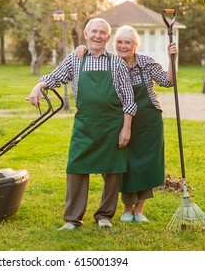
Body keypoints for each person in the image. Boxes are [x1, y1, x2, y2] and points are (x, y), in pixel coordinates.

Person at [27, 18, 137, 230]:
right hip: (85, 124)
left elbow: (128, 100)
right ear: (86, 34)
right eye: (93, 31)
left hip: (112, 124)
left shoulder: (116, 63)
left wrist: (126, 128)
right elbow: (55, 77)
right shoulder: (76, 59)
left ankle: (105, 216)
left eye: (102, 33)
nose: (97, 36)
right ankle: (72, 219)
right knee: (76, 168)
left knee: (112, 171)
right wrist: (38, 86)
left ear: (108, 37)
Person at [75, 25, 178, 222]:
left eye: (127, 42)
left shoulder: (146, 63)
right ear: (114, 44)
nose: (123, 46)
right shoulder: (110, 62)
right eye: (120, 42)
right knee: (125, 163)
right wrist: (82, 48)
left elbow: (168, 82)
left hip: (148, 120)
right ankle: (126, 208)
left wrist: (173, 58)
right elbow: (90, 55)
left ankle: (139, 209)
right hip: (120, 121)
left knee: (147, 164)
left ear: (135, 45)